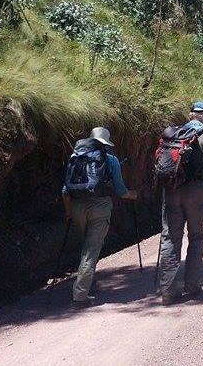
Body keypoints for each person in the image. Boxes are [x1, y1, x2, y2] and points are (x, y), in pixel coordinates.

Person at [61, 126, 137, 309]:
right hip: (100, 206)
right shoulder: (110, 159)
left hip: (76, 206)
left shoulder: (75, 157)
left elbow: (65, 191)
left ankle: (86, 283)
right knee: (91, 250)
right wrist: (131, 195)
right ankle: (80, 296)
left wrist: (69, 211)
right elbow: (120, 190)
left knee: (85, 247)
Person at [157, 101, 203, 306]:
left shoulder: (175, 133)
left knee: (170, 238)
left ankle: (168, 291)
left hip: (172, 190)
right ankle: (192, 285)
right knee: (196, 236)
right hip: (196, 192)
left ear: (190, 115)